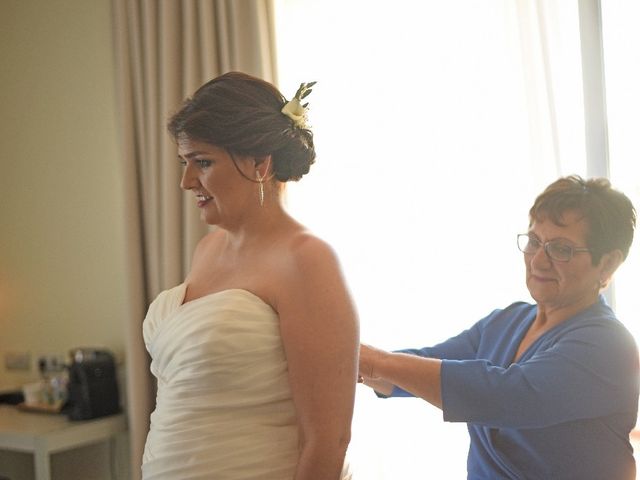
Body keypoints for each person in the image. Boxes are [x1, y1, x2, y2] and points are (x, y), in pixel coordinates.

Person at [141, 72, 359, 480]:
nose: (187, 182)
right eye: (184, 163)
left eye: (202, 162)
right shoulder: (206, 251)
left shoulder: (307, 260)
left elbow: (327, 440)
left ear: (260, 162)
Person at [359, 175, 638, 479]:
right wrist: (351, 362)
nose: (538, 261)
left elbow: (506, 396)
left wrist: (373, 361)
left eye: (561, 249)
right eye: (534, 242)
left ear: (608, 264)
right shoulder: (505, 322)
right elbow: (409, 371)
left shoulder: (608, 345)